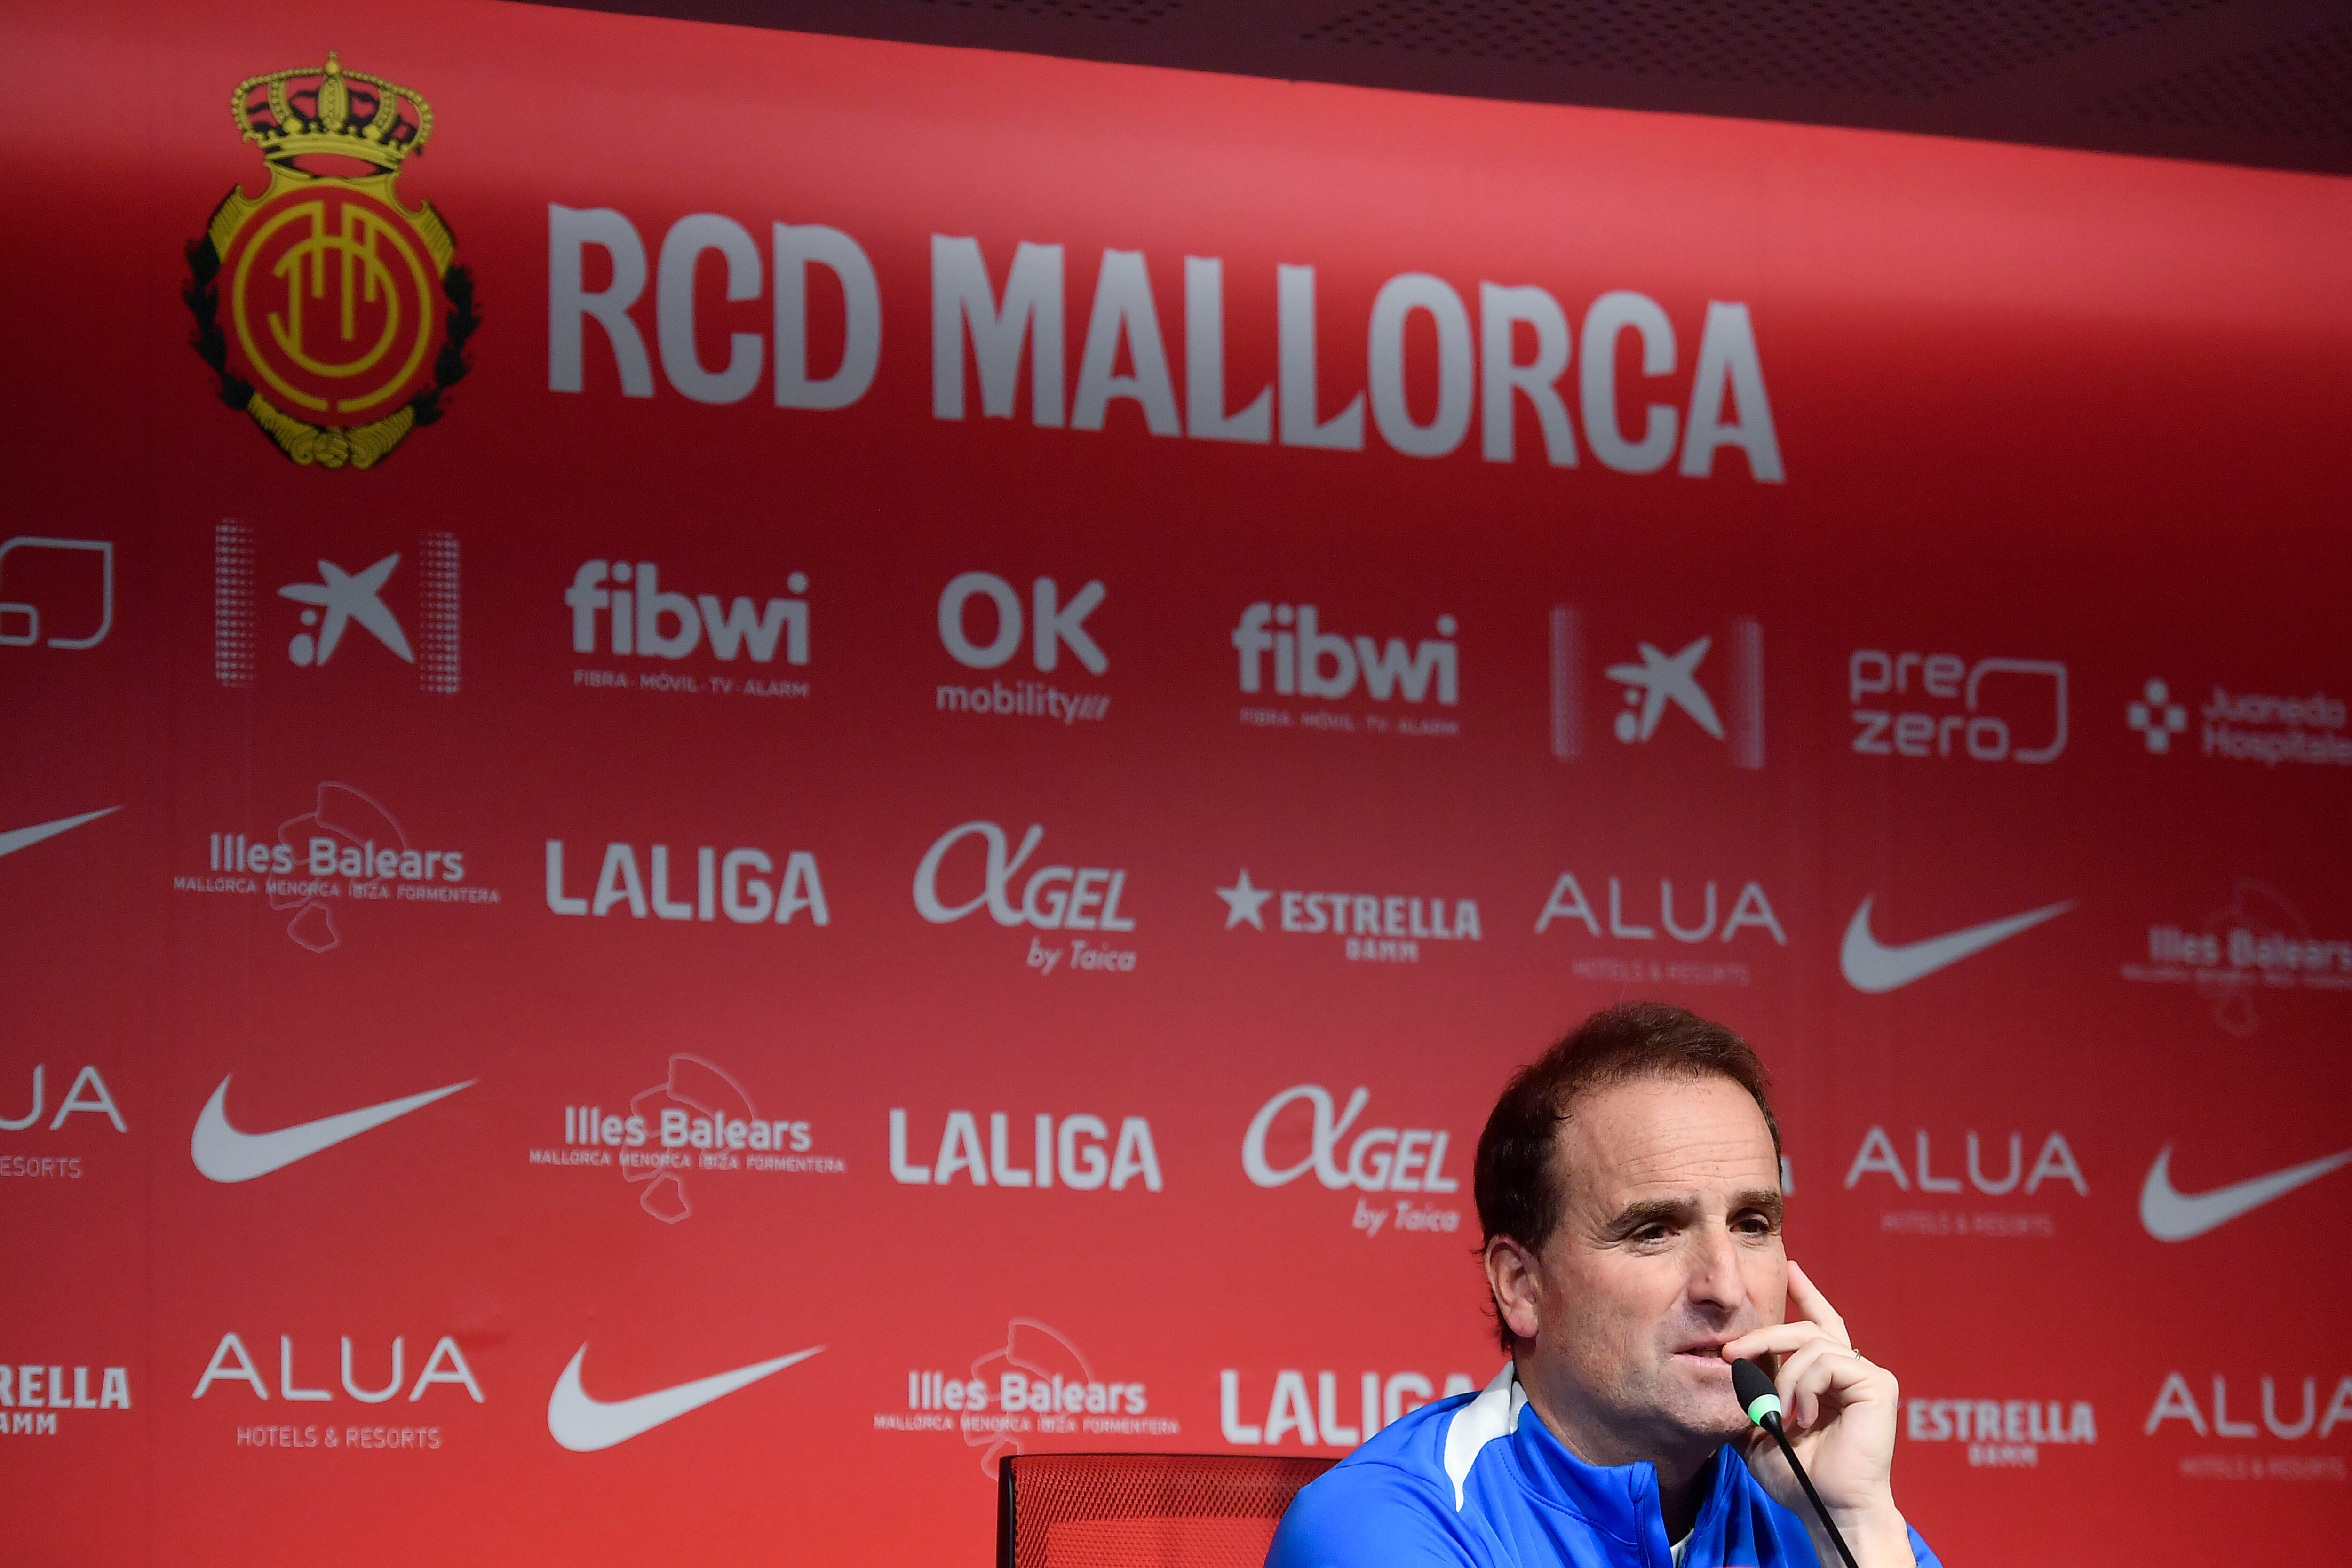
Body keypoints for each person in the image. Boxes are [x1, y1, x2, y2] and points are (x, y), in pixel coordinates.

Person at [1265, 1003, 1937, 1568]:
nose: (1726, 1286)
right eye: (1655, 1230)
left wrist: (1856, 1527)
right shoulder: (1384, 1527)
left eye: (1753, 1222)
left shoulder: (1820, 1507)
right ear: (1521, 1285)